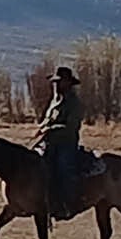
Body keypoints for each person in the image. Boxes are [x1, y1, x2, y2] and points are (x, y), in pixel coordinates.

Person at [37, 66, 84, 216]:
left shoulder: (74, 104)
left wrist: (50, 129)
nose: (56, 85)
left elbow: (71, 127)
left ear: (68, 83)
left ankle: (67, 203)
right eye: (55, 82)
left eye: (59, 82)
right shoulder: (55, 101)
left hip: (66, 143)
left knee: (64, 168)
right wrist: (42, 127)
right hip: (48, 142)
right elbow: (47, 119)